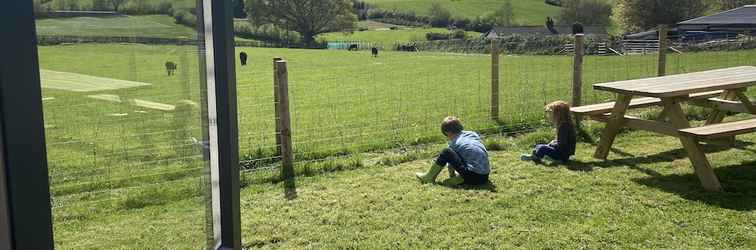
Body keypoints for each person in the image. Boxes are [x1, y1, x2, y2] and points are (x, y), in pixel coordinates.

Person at [416, 116, 490, 185]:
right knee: (465, 153)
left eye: (447, 135)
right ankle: (463, 178)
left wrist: (452, 175)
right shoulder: (472, 134)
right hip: (485, 176)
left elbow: (450, 165)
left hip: (472, 176)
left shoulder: (454, 143)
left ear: (448, 132)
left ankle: (429, 177)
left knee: (446, 152)